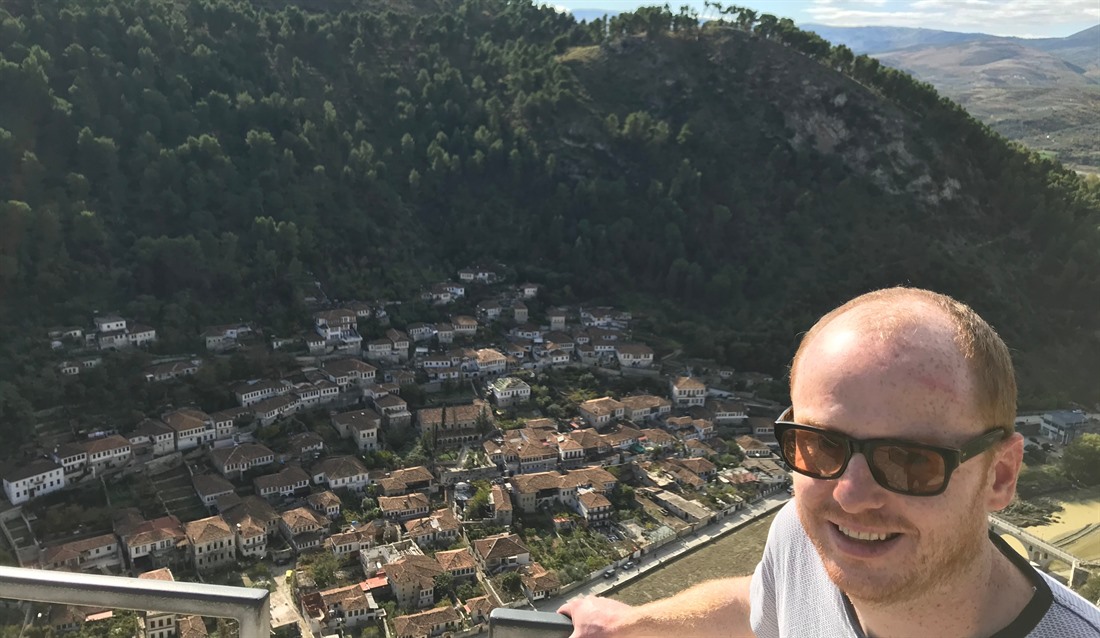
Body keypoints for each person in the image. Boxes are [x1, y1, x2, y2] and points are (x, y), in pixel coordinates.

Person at [559, 287, 1100, 637]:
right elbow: (769, 603)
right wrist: (637, 623)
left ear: (1000, 476)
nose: (850, 495)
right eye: (820, 445)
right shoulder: (800, 533)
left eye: (910, 460)